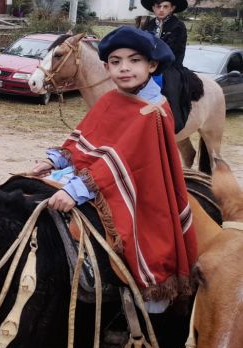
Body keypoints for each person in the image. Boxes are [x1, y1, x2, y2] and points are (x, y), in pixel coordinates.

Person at [32, 26, 197, 311]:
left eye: (134, 61)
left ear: (151, 65)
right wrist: (57, 160)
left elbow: (125, 160)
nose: (124, 68)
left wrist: (77, 190)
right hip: (104, 176)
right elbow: (91, 137)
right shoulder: (111, 98)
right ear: (107, 67)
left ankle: (142, 306)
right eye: (116, 62)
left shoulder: (153, 110)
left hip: (140, 189)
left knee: (140, 246)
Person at [139, 0, 193, 133]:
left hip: (170, 65)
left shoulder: (178, 26)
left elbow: (170, 50)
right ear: (153, 8)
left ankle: (172, 122)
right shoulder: (148, 25)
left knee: (170, 87)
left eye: (165, 6)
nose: (161, 10)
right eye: (158, 6)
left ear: (172, 8)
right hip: (148, 64)